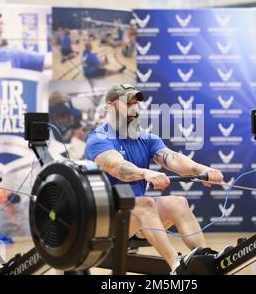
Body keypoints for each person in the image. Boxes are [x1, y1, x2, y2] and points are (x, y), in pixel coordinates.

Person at [85, 83, 224, 274]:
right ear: (110, 106)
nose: (134, 110)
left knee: (178, 202)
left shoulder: (146, 138)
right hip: (106, 222)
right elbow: (115, 166)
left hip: (136, 218)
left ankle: (206, 261)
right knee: (144, 204)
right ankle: (177, 266)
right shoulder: (99, 138)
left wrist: (203, 169)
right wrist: (144, 173)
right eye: (128, 104)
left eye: (136, 104)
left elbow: (173, 159)